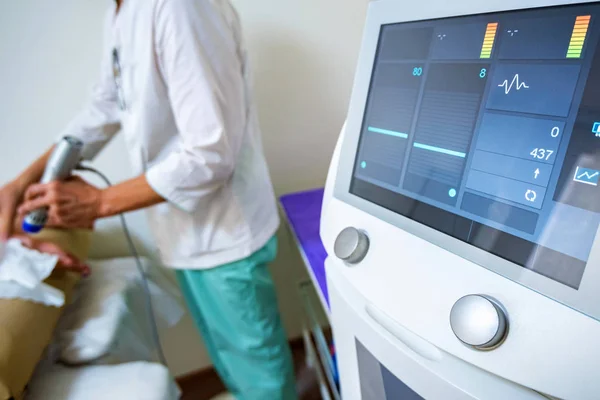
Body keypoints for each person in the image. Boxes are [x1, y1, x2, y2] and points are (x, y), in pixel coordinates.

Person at [0, 0, 297, 399]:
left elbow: (210, 152)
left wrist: (99, 203)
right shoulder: (121, 12)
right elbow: (103, 106)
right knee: (229, 354)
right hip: (182, 225)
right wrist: (22, 182)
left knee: (256, 369)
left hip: (223, 229)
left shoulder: (180, 7)